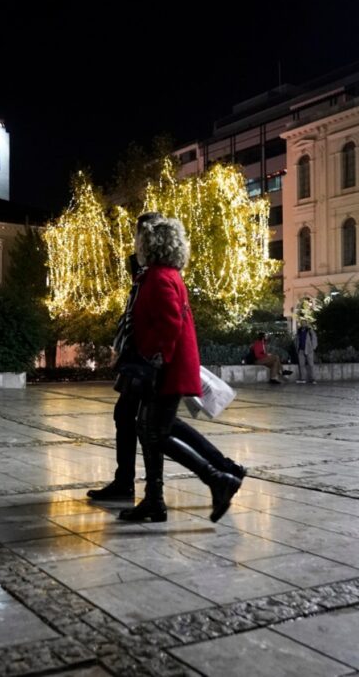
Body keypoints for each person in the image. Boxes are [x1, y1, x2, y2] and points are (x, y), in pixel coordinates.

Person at [88, 245, 246, 501]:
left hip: (144, 362)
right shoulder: (152, 269)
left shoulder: (157, 272)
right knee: (141, 421)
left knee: (154, 427)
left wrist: (154, 356)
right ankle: (142, 487)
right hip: (137, 359)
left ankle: (207, 477)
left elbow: (167, 324)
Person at [117, 212, 242, 523]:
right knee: (152, 430)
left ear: (151, 243)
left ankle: (217, 478)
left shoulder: (160, 277)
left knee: (154, 433)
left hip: (165, 369)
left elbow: (169, 323)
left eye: (140, 240)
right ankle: (155, 500)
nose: (137, 245)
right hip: (167, 366)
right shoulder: (163, 274)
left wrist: (154, 359)